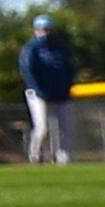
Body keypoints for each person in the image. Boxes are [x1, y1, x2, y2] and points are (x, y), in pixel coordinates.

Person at [22, 13, 78, 165]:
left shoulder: (60, 48)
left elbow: (70, 69)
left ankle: (63, 158)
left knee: (65, 129)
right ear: (36, 30)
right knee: (42, 128)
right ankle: (35, 155)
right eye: (42, 30)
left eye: (48, 30)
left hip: (61, 94)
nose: (45, 33)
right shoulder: (31, 49)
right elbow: (28, 70)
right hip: (39, 94)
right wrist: (39, 90)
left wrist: (68, 87)